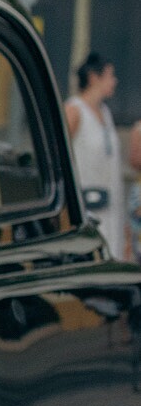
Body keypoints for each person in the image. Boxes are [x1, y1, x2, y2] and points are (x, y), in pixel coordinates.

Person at [66, 53, 128, 260]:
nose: (115, 81)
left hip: (111, 209)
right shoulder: (75, 111)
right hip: (87, 207)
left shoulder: (106, 113)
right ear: (94, 78)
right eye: (110, 76)